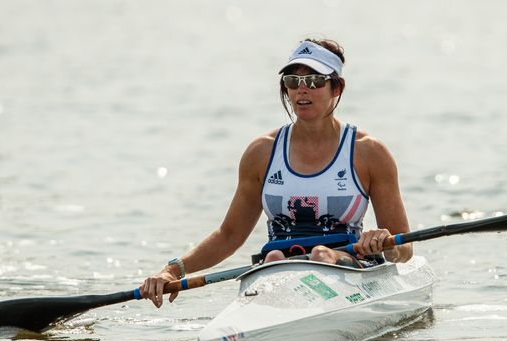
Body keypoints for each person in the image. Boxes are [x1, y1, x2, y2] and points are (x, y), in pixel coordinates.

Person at [140, 38, 413, 308]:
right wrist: (173, 270)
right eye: (293, 81)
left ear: (337, 88)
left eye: (315, 81)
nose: (301, 91)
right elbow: (229, 235)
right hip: (278, 267)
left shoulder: (368, 153)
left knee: (320, 254)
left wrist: (384, 242)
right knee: (272, 259)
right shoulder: (262, 152)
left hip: (347, 264)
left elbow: (404, 248)